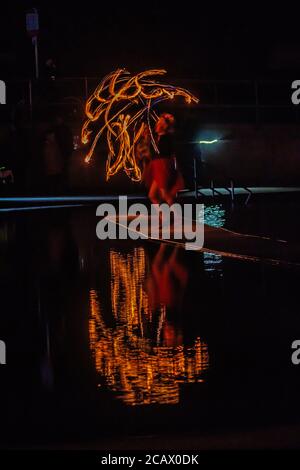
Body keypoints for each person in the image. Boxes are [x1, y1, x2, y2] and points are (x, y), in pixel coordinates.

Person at [148, 113, 185, 205]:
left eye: (159, 123)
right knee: (152, 195)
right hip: (157, 166)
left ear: (164, 126)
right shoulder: (158, 138)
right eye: (157, 122)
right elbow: (154, 153)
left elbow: (167, 153)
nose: (157, 124)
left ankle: (175, 215)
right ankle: (162, 215)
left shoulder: (167, 138)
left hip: (162, 166)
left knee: (165, 194)